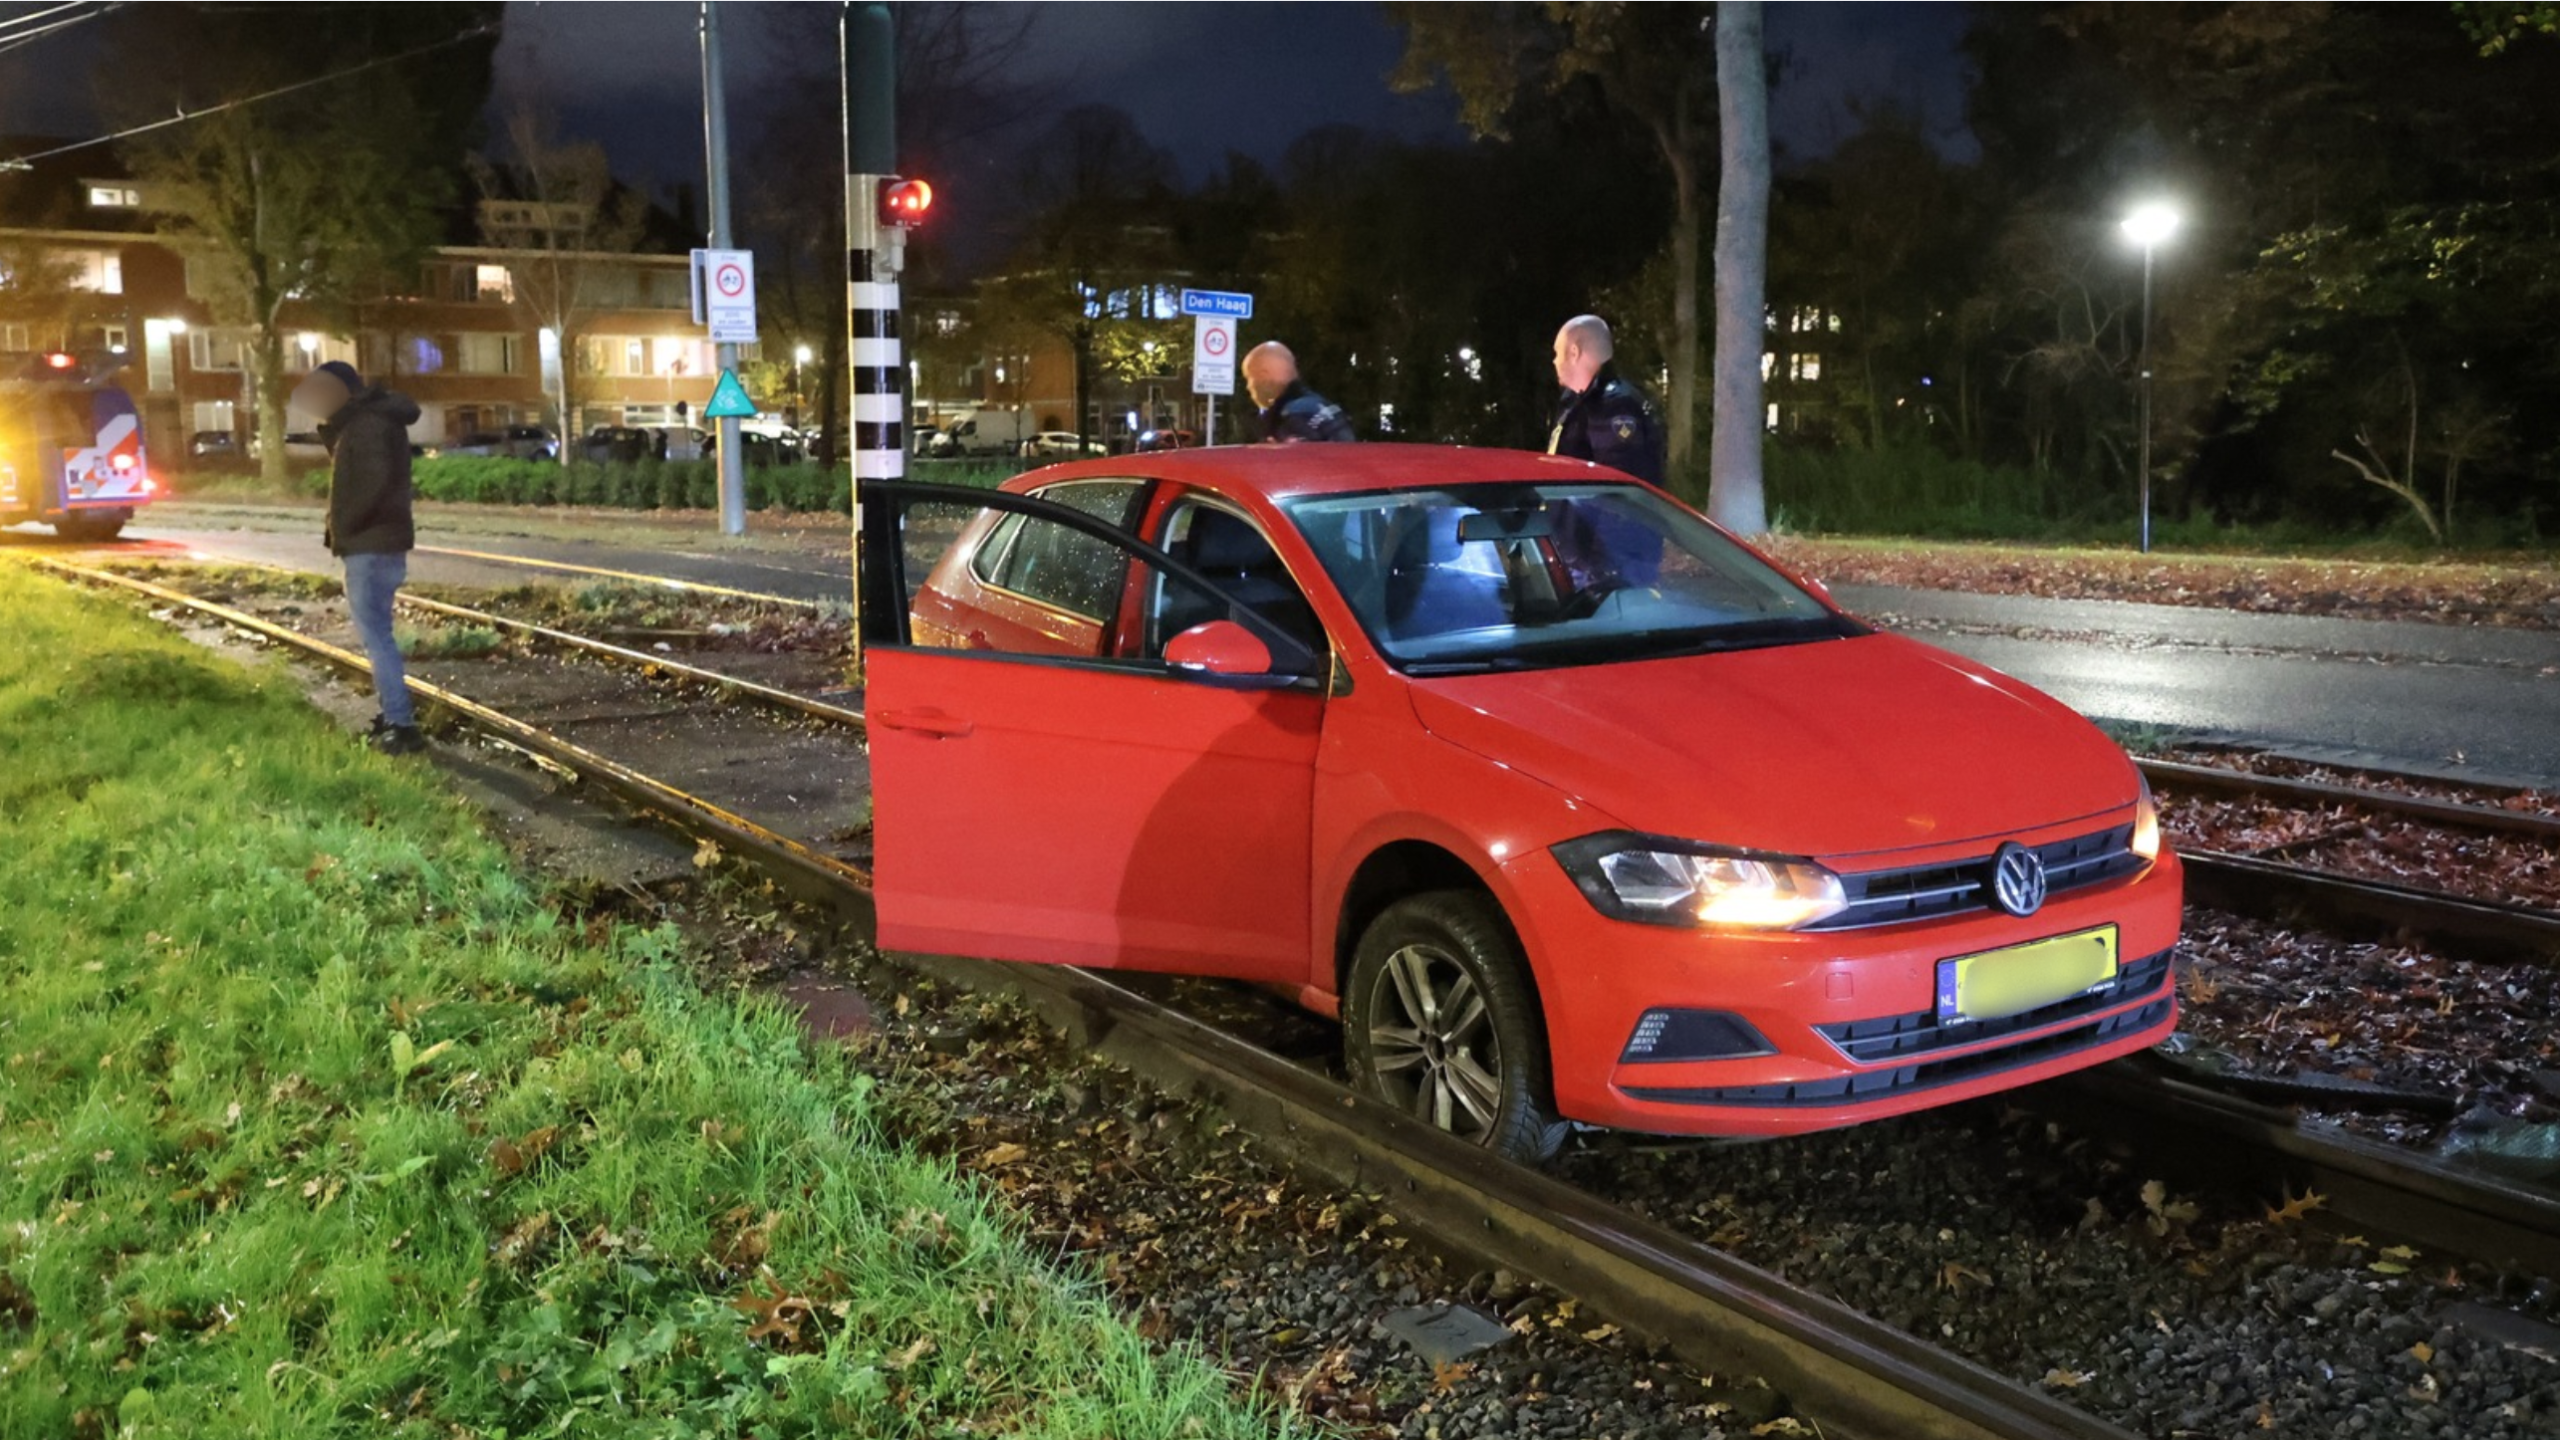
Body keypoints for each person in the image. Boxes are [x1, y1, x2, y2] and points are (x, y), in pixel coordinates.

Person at [291, 359, 425, 755]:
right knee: (379, 635)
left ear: (345, 391)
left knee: (378, 639)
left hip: (369, 545)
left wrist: (343, 529)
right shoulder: (369, 422)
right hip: (382, 541)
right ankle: (392, 717)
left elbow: (366, 486)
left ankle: (402, 726)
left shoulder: (366, 427)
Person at [1547, 314, 1665, 487]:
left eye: (1557, 353)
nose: (1554, 361)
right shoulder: (1576, 402)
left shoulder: (1615, 405)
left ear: (1574, 352)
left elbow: (1615, 488)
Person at [1242, 341, 1356, 443]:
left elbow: (1298, 464)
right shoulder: (1322, 405)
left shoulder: (1292, 415)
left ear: (1263, 375)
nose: (1248, 387)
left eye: (1249, 378)